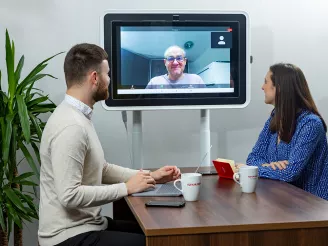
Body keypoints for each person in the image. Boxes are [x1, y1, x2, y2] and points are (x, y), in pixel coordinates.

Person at [38, 43, 181, 246]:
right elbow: (69, 196)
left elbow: (101, 169)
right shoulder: (71, 126)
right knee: (158, 242)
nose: (110, 80)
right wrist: (126, 188)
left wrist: (152, 176)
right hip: (68, 237)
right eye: (108, 74)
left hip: (88, 225)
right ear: (95, 78)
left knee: (159, 233)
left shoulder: (79, 116)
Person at [238, 63, 328, 200]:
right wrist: (268, 166)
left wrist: (250, 170)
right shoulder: (275, 117)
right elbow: (253, 157)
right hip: (282, 199)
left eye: (266, 82)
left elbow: (290, 173)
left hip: (311, 206)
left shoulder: (311, 124)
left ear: (279, 88)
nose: (262, 87)